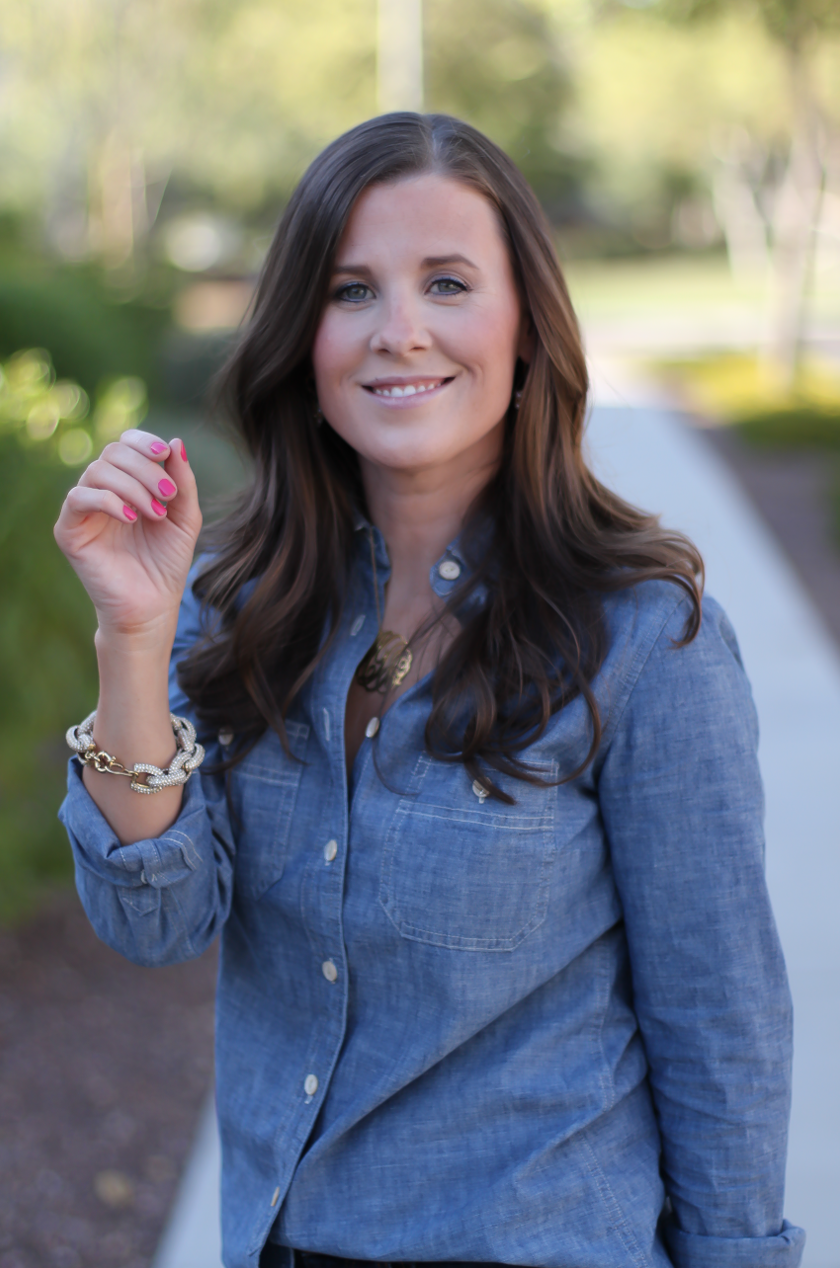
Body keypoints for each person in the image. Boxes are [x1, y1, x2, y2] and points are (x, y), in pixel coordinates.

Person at [55, 113, 804, 1268]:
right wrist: (133, 633)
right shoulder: (236, 598)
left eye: (447, 282)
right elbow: (155, 919)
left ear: (525, 323)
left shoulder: (647, 638)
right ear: (304, 333)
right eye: (351, 290)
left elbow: (721, 1028)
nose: (399, 332)